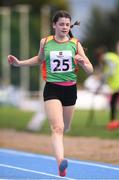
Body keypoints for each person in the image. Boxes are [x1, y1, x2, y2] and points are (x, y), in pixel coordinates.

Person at [8, 10, 93, 176]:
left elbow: (90, 70)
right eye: (61, 24)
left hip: (70, 89)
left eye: (67, 25)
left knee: (66, 127)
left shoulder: (75, 44)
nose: (64, 27)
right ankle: (61, 162)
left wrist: (82, 62)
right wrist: (19, 64)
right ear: (54, 25)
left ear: (70, 26)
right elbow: (39, 60)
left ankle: (61, 157)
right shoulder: (45, 42)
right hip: (52, 88)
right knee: (57, 127)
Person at [94, 42, 119, 130]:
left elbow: (111, 71)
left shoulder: (107, 58)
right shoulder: (112, 56)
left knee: (113, 103)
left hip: (117, 82)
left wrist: (104, 76)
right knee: (113, 102)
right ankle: (113, 122)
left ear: (100, 55)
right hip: (116, 83)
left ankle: (112, 122)